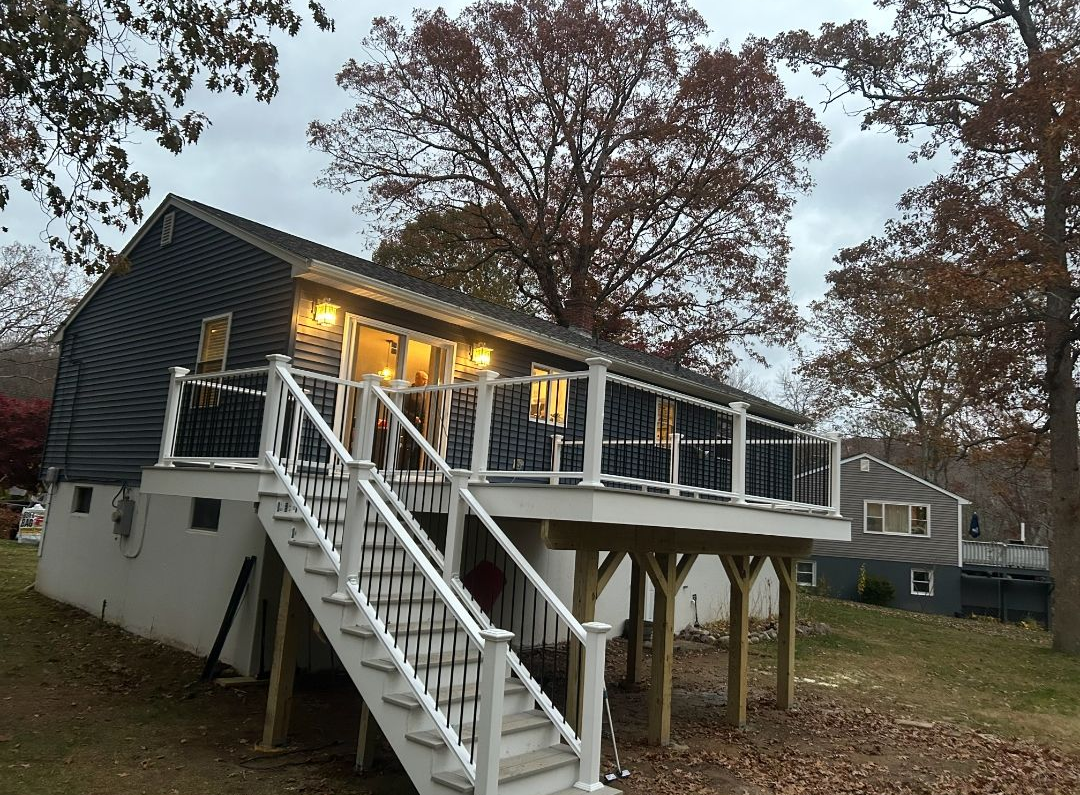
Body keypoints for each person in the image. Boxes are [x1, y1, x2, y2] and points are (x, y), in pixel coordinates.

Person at [400, 370, 428, 469]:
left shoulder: (425, 394)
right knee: (407, 450)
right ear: (417, 379)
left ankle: (414, 470)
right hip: (409, 426)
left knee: (417, 451)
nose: (425, 382)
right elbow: (402, 408)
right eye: (423, 379)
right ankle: (403, 470)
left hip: (420, 428)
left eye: (426, 380)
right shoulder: (409, 392)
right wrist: (413, 417)